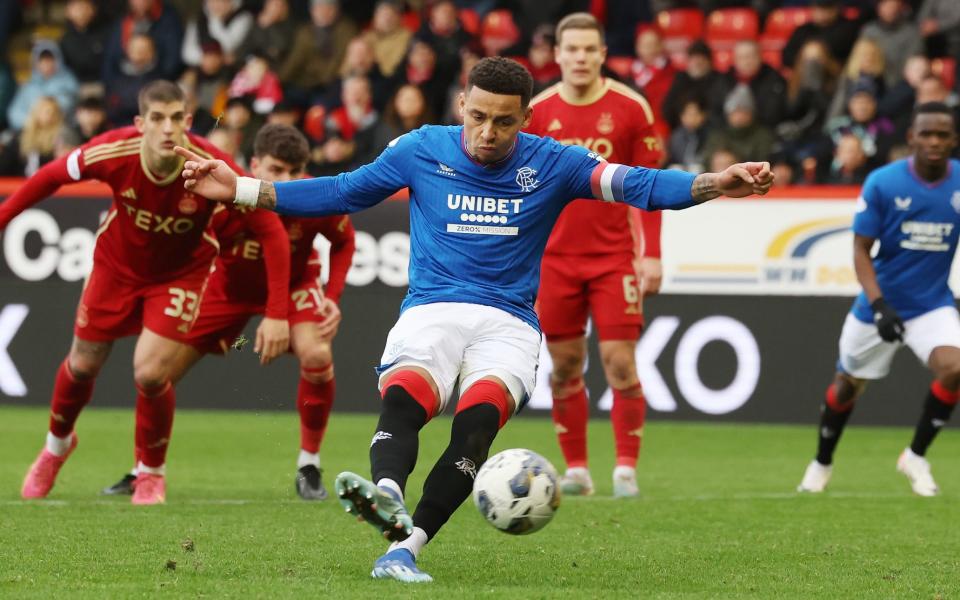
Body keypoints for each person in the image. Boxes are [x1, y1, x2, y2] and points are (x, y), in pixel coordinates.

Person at [175, 56, 773, 583]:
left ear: (527, 119)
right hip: (433, 308)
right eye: (477, 116)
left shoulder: (556, 162)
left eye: (504, 121)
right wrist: (243, 190)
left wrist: (715, 183)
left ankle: (405, 549)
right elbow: (341, 191)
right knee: (407, 397)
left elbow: (638, 184)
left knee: (476, 426)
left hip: (509, 321)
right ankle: (386, 493)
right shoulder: (420, 149)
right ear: (462, 104)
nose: (487, 133)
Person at [1, 81, 291, 505]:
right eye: (157, 118)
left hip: (180, 273)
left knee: (151, 373)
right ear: (140, 124)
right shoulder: (112, 152)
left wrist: (278, 311)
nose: (168, 128)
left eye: (177, 118)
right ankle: (55, 448)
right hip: (115, 268)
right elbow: (48, 177)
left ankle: (151, 473)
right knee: (82, 364)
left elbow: (269, 230)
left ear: (189, 122)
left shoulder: (210, 163)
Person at [102, 124, 355, 500]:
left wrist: (331, 297)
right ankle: (144, 468)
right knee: (156, 371)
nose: (285, 180)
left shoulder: (312, 199)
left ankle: (309, 464)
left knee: (317, 353)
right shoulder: (225, 198)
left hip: (295, 288)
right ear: (253, 164)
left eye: (293, 172)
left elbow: (344, 240)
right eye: (275, 170)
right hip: (226, 289)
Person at [523, 12, 665, 498]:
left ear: (603, 54)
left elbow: (648, 188)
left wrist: (653, 255)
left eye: (590, 49)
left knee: (619, 362)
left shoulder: (631, 108)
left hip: (613, 259)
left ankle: (625, 468)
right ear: (557, 54)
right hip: (556, 261)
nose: (580, 57)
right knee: (564, 367)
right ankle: (578, 470)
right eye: (572, 49)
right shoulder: (537, 113)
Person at [798, 102, 960, 498]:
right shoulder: (883, 183)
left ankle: (915, 457)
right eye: (926, 133)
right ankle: (821, 462)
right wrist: (878, 305)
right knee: (846, 388)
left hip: (931, 304)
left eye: (943, 134)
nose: (934, 141)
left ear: (953, 139)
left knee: (955, 368)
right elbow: (860, 250)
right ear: (911, 138)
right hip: (879, 305)